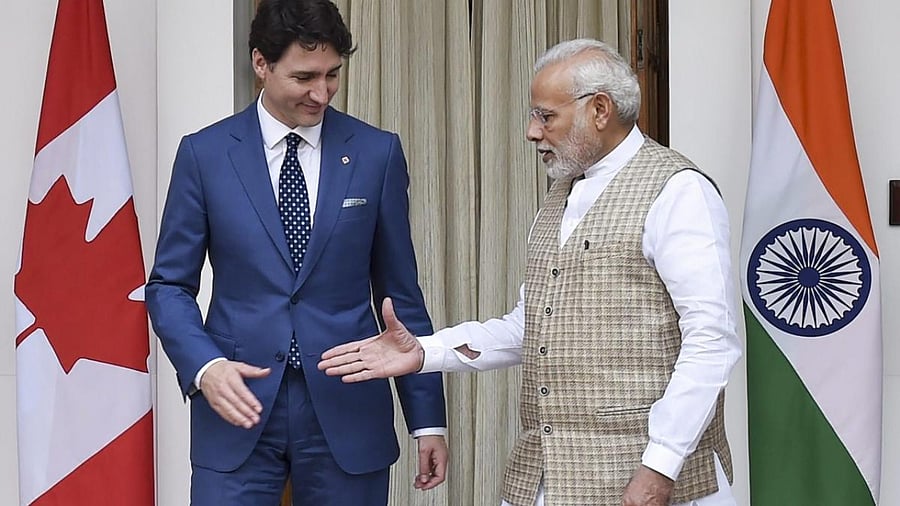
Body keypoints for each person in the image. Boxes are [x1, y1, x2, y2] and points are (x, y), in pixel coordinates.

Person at [318, 38, 742, 506]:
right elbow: (531, 328)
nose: (532, 132)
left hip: (647, 482)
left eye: (545, 116)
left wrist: (661, 464)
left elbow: (711, 340)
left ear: (600, 110)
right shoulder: (562, 193)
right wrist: (424, 352)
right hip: (544, 476)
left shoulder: (678, 192)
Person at [145, 0, 448, 504]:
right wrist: (204, 367)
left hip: (349, 405)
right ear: (260, 63)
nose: (321, 93)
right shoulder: (204, 154)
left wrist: (427, 420)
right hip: (237, 406)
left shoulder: (377, 153)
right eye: (304, 77)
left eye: (332, 75)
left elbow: (400, 295)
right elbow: (168, 287)